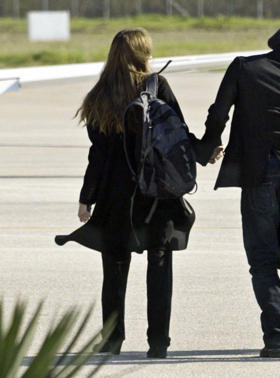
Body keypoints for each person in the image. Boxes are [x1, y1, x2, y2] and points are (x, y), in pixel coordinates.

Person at [55, 28, 197, 358]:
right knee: (160, 266)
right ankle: (158, 343)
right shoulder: (156, 85)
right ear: (141, 54)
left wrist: (86, 196)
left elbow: (98, 153)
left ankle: (112, 339)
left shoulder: (98, 95)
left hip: (113, 195)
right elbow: (179, 136)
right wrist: (205, 154)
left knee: (114, 268)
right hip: (155, 193)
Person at [196, 20, 280, 358]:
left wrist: (208, 148)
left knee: (262, 258)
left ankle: (275, 339)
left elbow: (218, 113)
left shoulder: (244, 67)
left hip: (257, 176)